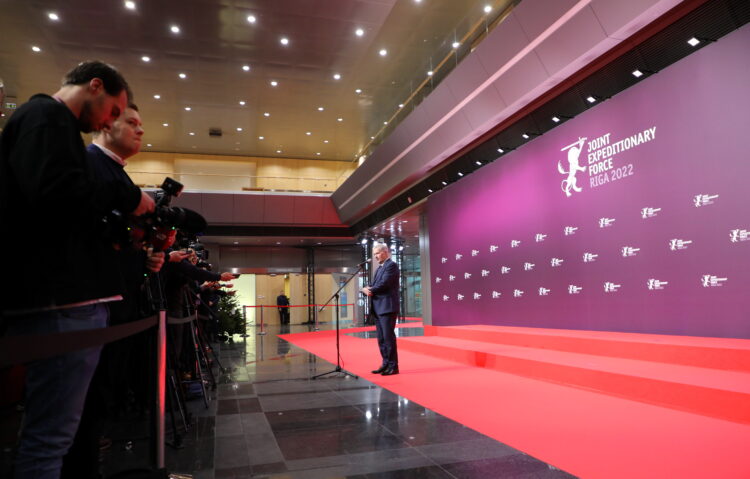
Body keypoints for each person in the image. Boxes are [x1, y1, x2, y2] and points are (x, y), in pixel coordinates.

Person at [0, 60, 154, 479]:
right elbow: (57, 197)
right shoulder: (46, 118)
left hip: (66, 300)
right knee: (50, 439)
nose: (110, 120)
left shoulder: (52, 125)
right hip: (61, 302)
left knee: (55, 436)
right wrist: (127, 197)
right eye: (114, 111)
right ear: (95, 86)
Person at [61, 103, 165, 478]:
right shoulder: (95, 170)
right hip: (88, 307)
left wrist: (144, 260)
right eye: (132, 123)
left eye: (141, 125)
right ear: (105, 125)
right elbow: (92, 242)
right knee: (76, 414)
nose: (140, 131)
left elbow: (113, 245)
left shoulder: (115, 175)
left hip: (112, 304)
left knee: (94, 406)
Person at [361, 243, 400, 376]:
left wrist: (369, 290)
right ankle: (385, 364)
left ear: (385, 252)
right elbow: (375, 284)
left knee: (389, 339)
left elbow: (384, 284)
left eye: (377, 253)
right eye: (374, 254)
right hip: (378, 308)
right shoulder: (379, 269)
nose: (376, 256)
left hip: (387, 307)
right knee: (381, 339)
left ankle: (393, 366)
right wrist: (366, 288)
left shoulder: (392, 266)